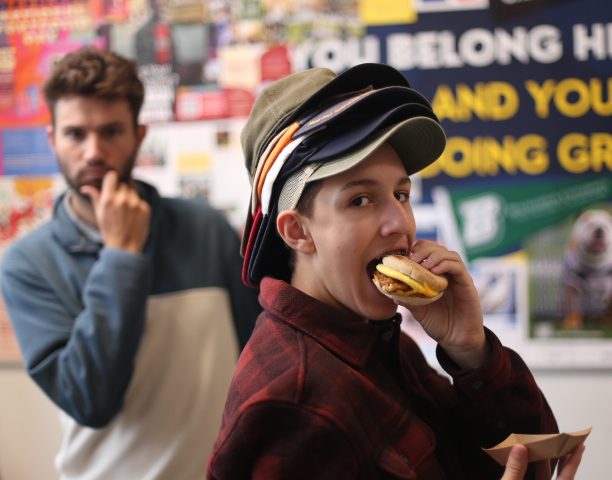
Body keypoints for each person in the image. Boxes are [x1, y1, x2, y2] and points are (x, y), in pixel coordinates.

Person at [206, 63, 583, 479]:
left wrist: (470, 351)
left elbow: (529, 462)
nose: (399, 224)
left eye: (401, 193)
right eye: (360, 200)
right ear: (298, 231)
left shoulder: (389, 345)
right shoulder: (296, 405)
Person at [1, 47, 260, 479]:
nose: (93, 152)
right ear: (52, 140)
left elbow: (258, 367)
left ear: (139, 137)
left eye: (111, 131)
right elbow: (90, 400)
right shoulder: (27, 264)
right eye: (75, 134)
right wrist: (121, 257)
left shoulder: (206, 229)